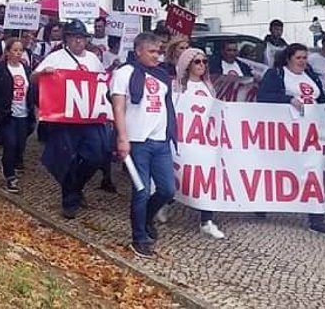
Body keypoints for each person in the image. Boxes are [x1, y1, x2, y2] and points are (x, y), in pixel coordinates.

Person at [257, 43, 325, 235]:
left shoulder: (310, 76)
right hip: (286, 134)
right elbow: (264, 96)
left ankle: (316, 217)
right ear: (288, 58)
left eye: (305, 58)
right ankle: (261, 201)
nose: (303, 62)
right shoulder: (276, 74)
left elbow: (322, 104)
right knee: (279, 169)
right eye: (299, 58)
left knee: (315, 170)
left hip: (313, 133)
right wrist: (288, 100)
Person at [110, 32, 177, 258]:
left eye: (158, 52)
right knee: (141, 190)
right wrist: (122, 137)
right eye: (151, 52)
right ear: (138, 51)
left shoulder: (162, 75)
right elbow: (118, 107)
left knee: (167, 189)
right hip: (137, 141)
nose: (156, 56)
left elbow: (168, 106)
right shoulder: (124, 73)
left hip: (160, 142)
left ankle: (146, 218)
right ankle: (139, 237)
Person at [33, 20, 108, 219]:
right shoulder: (56, 57)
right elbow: (34, 78)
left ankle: (77, 186)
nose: (78, 41)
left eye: (81, 37)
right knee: (66, 158)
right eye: (74, 37)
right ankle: (69, 200)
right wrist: (42, 74)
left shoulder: (93, 59)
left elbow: (101, 85)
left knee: (96, 156)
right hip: (64, 119)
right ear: (67, 39)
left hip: (88, 119)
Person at [174, 47, 226, 240]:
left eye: (204, 61)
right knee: (181, 176)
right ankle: (166, 203)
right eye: (197, 62)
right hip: (184, 140)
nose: (202, 65)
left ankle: (207, 220)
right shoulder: (178, 86)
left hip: (205, 141)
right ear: (187, 64)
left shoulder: (208, 86)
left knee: (207, 179)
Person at [0, 37, 35, 193]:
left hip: (23, 114)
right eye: (15, 50)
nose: (18, 53)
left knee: (20, 145)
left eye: (21, 50)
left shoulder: (26, 69)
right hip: (7, 114)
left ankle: (9, 161)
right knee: (10, 144)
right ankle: (10, 176)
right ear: (7, 52)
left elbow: (31, 90)